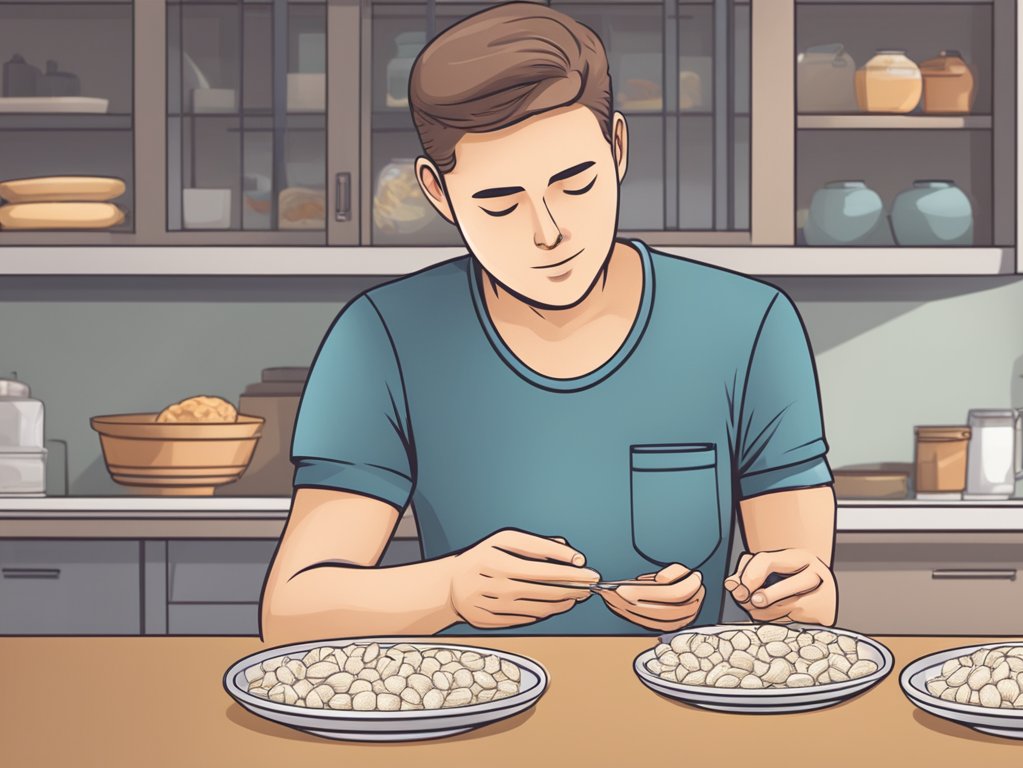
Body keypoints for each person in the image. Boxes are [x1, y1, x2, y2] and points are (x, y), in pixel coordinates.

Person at [260, 2, 837, 642]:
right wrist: (450, 591)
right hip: (467, 723)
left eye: (575, 184)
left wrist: (786, 597)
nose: (549, 232)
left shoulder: (750, 328)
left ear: (617, 148)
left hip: (679, 726)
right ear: (437, 193)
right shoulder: (383, 339)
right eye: (501, 204)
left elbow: (802, 595)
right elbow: (291, 611)